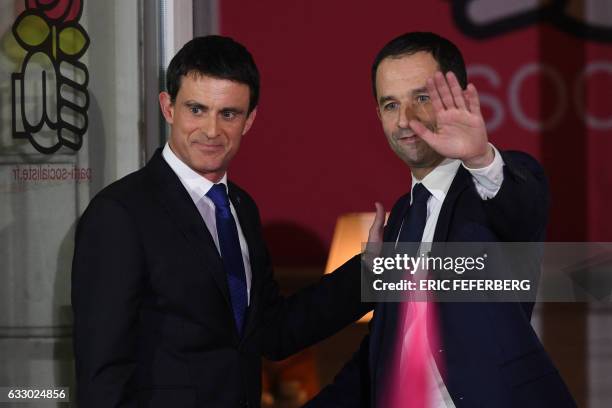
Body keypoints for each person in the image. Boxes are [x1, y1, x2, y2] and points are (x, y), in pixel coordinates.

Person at [71, 35, 380, 407]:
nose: (212, 131)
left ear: (249, 120)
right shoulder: (120, 213)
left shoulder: (241, 208)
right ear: (168, 108)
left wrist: (372, 272)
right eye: (197, 109)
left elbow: (273, 331)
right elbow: (102, 375)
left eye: (228, 114)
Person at [305, 32, 576, 407]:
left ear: (460, 98)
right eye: (390, 105)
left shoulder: (493, 185)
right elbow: (384, 356)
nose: (405, 120)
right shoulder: (399, 219)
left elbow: (521, 208)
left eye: (421, 98)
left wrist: (480, 158)